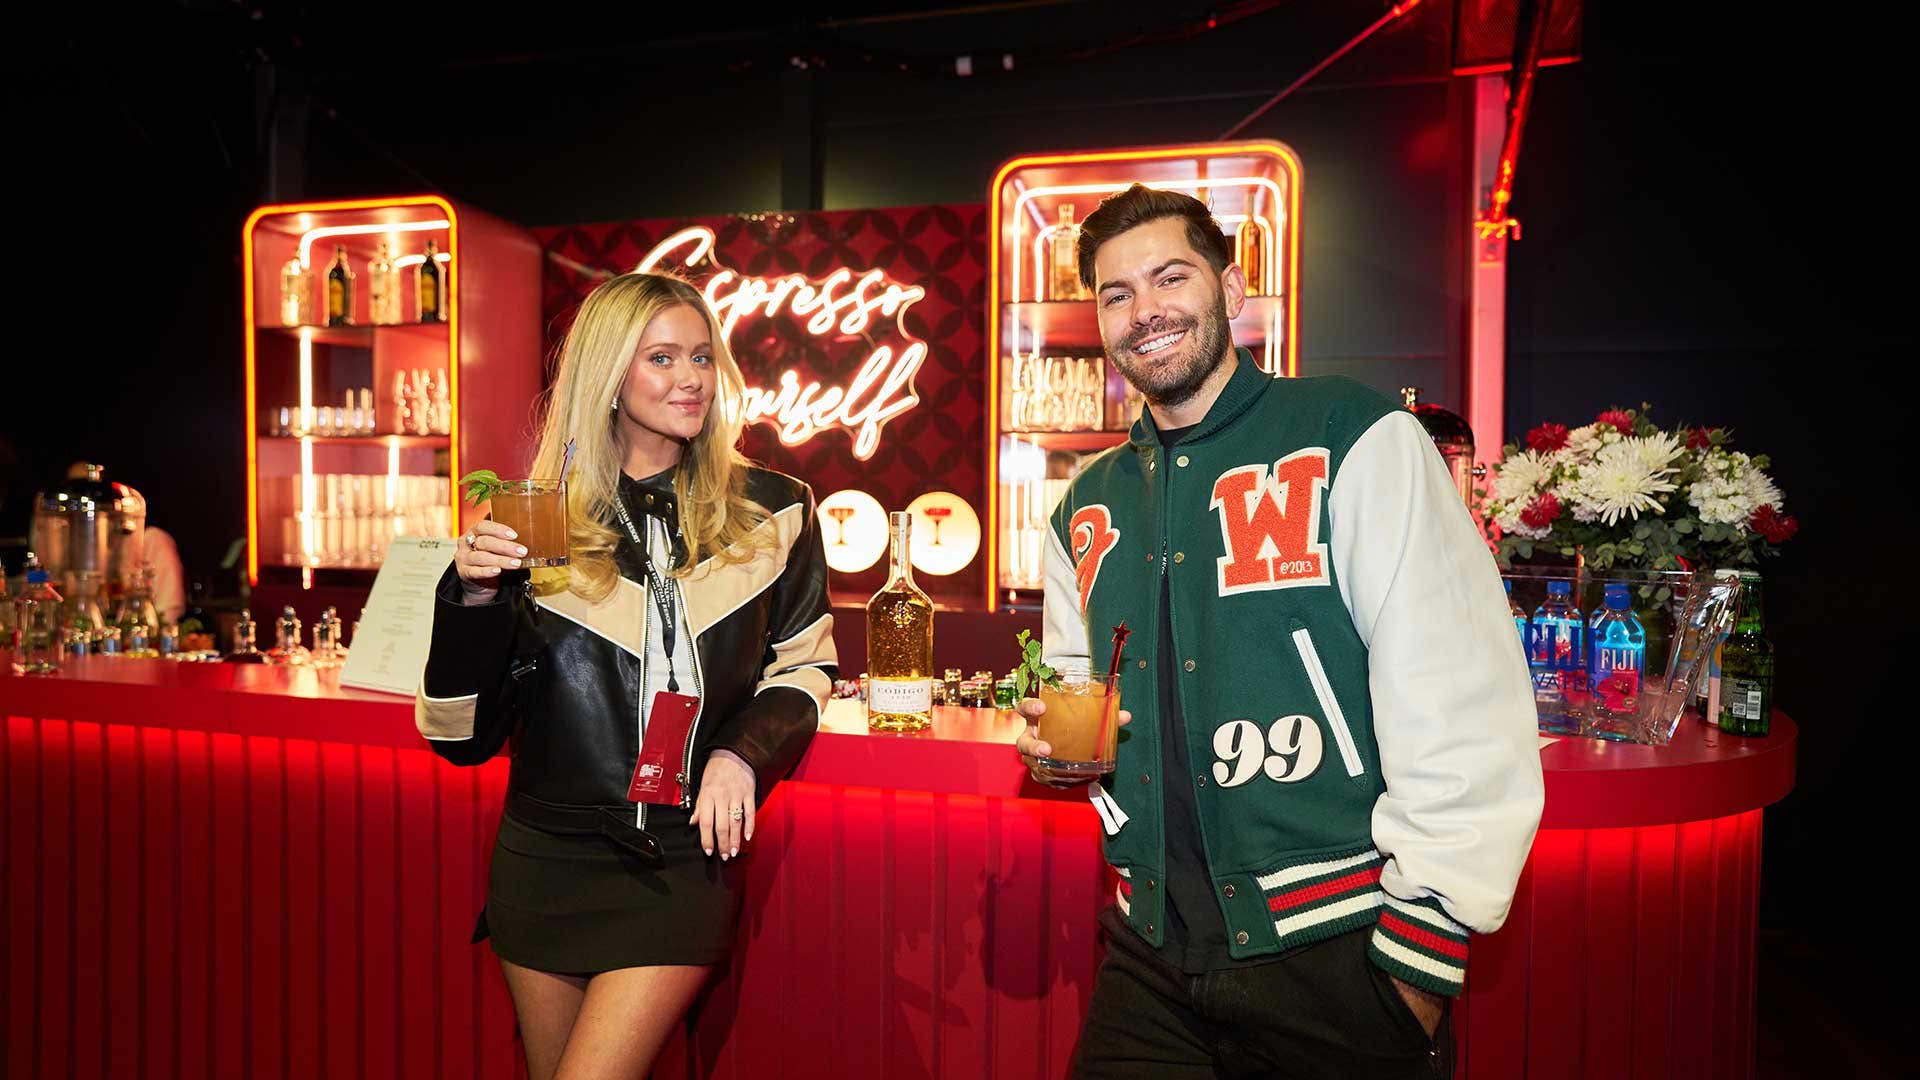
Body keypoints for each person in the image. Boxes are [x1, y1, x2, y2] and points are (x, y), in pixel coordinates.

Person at [1015, 185, 1543, 1079]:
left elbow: (1464, 698)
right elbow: (1081, 685)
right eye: (1115, 294)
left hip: (1339, 954)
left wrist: (1421, 952)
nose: (1145, 311)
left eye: (1169, 277)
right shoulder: (1081, 503)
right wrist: (1065, 746)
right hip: (1149, 955)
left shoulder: (1353, 435)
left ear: (1232, 289)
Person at [417, 273, 835, 1079]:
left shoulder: (774, 510)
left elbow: (805, 665)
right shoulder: (536, 515)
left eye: (703, 358)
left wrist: (741, 752)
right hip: (545, 854)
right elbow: (462, 737)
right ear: (609, 375)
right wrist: (470, 594)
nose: (691, 379)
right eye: (663, 358)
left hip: (681, 858)